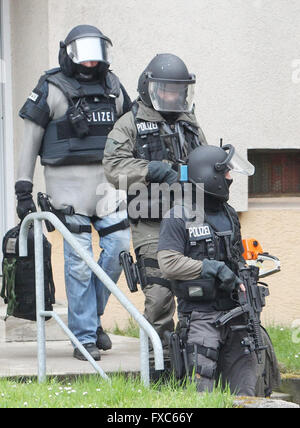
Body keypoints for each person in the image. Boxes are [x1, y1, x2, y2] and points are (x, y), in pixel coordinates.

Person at [15, 25, 131, 361]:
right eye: (84, 54)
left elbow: (129, 132)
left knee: (119, 248)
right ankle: (84, 339)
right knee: (80, 265)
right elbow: (30, 141)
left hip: (108, 187)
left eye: (97, 55)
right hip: (67, 190)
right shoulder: (51, 87)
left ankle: (90, 321)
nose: (91, 63)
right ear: (69, 53)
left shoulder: (113, 87)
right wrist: (23, 188)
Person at [103, 53, 207, 371]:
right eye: (167, 89)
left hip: (190, 215)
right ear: (151, 88)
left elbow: (200, 162)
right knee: (160, 294)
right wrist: (152, 169)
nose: (174, 96)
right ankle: (158, 367)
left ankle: (197, 359)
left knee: (202, 287)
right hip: (151, 222)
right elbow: (113, 167)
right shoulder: (130, 123)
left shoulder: (189, 123)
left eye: (179, 90)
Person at [157, 144, 260, 395]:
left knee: (247, 388)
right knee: (201, 392)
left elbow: (236, 257)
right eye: (225, 172)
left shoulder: (229, 214)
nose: (230, 178)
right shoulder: (178, 216)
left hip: (237, 314)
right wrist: (211, 268)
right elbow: (168, 263)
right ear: (208, 175)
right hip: (202, 316)